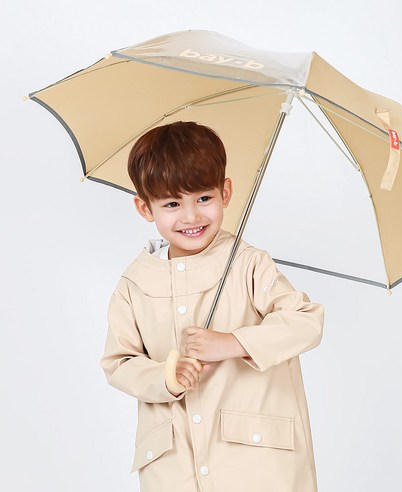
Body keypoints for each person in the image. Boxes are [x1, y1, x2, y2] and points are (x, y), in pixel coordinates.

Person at [100, 121, 324, 492]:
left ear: (225, 192)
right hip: (174, 470)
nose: (191, 216)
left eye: (204, 198)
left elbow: (306, 322)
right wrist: (166, 377)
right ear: (144, 207)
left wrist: (233, 343)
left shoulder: (248, 265)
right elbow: (118, 363)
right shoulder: (135, 284)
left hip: (256, 464)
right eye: (172, 204)